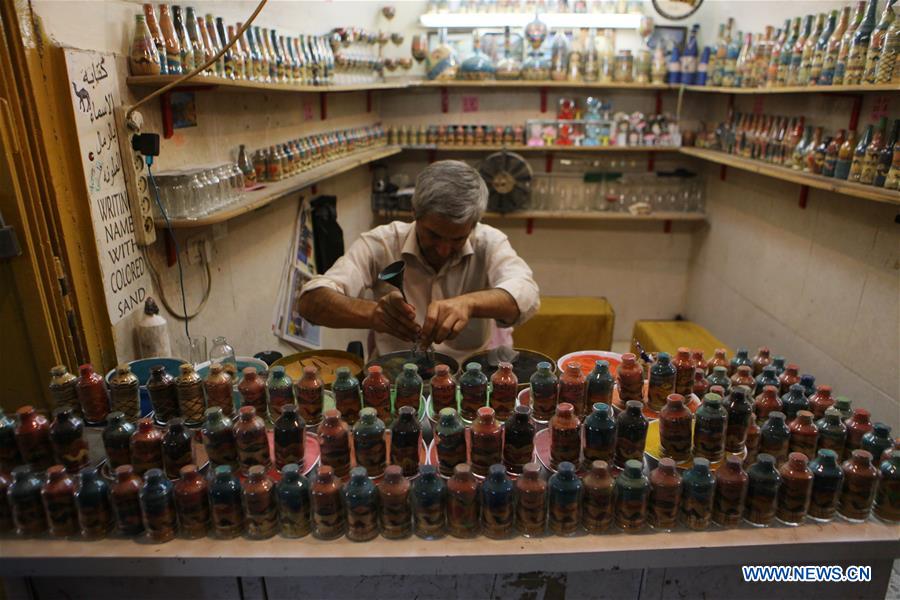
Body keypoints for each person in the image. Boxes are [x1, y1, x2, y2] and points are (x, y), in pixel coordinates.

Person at [298, 160, 540, 361]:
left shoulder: (489, 242)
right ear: (414, 213)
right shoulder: (381, 243)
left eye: (457, 238)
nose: (444, 249)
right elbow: (311, 302)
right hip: (398, 378)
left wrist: (470, 303)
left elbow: (527, 294)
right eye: (433, 235)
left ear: (473, 226)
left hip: (471, 379)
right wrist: (374, 314)